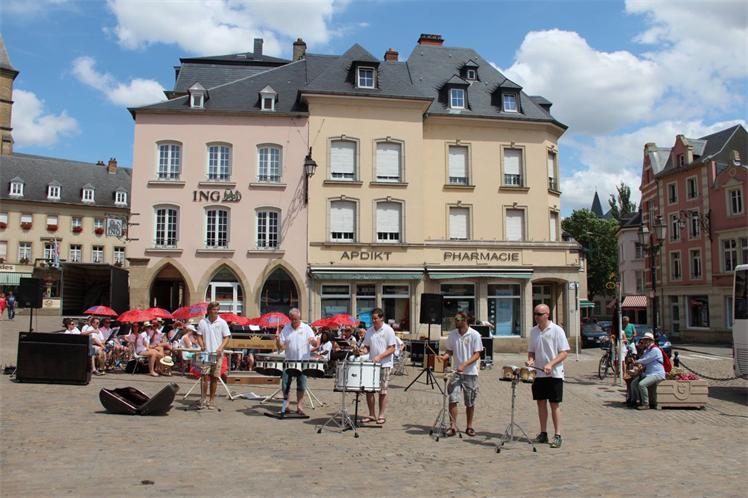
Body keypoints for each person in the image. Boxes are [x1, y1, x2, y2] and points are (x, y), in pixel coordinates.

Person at [526, 304, 569, 449]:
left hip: (554, 374)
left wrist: (551, 364)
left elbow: (564, 352)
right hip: (538, 373)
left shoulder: (557, 330)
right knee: (540, 403)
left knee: (554, 404)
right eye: (535, 314)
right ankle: (543, 433)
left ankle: (557, 435)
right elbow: (531, 351)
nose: (536, 317)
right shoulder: (533, 331)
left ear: (547, 314)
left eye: (539, 314)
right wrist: (530, 360)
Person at [441, 311, 483, 436]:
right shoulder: (453, 334)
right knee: (452, 398)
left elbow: (477, 354)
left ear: (465, 320)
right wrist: (444, 357)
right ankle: (452, 426)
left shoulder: (474, 335)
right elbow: (449, 350)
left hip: (470, 373)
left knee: (470, 401)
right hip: (456, 372)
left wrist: (464, 365)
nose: (455, 321)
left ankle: (469, 427)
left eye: (457, 319)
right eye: (455, 319)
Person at [276, 308, 317, 416]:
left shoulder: (306, 328)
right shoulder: (286, 328)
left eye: (296, 319)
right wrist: (277, 340)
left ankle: (299, 406)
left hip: (303, 362)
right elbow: (281, 347)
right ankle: (286, 406)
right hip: (289, 360)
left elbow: (315, 344)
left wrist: (312, 341)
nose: (294, 321)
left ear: (299, 318)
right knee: (285, 385)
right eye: (292, 319)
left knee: (301, 385)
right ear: (289, 318)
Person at [359, 308, 397, 425]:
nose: (373, 321)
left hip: (384, 364)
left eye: (375, 318)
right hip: (371, 364)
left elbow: (392, 348)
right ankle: (371, 414)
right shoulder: (369, 331)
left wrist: (380, 357)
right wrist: (362, 351)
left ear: (381, 318)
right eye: (372, 319)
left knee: (382, 391)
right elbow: (367, 347)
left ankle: (381, 415)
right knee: (369, 390)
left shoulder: (388, 330)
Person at [195, 302, 231, 409]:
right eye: (214, 309)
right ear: (209, 310)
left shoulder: (222, 322)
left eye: (217, 309)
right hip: (205, 353)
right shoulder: (202, 322)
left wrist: (221, 347)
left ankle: (212, 400)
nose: (216, 311)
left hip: (217, 354)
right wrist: (201, 345)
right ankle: (203, 399)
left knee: (214, 377)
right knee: (204, 377)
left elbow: (227, 337)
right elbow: (199, 336)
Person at [630, 332, 666, 410]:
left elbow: (646, 360)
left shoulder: (655, 350)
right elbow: (643, 359)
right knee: (634, 383)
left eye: (647, 340)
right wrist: (637, 363)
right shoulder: (647, 350)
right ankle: (637, 400)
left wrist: (636, 362)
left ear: (651, 341)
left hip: (657, 374)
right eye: (644, 340)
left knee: (642, 384)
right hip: (649, 373)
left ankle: (646, 404)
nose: (645, 342)